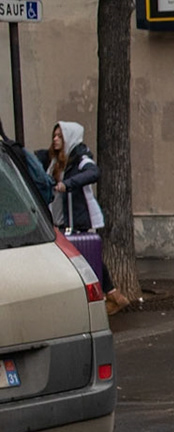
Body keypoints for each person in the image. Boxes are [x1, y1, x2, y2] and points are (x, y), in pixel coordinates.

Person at [38, 121, 128, 312]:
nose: (55, 139)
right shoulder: (53, 160)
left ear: (69, 138)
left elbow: (93, 172)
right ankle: (111, 294)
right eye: (54, 136)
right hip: (61, 218)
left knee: (86, 256)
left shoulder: (80, 157)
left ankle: (110, 295)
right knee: (80, 257)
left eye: (60, 136)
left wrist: (67, 184)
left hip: (80, 217)